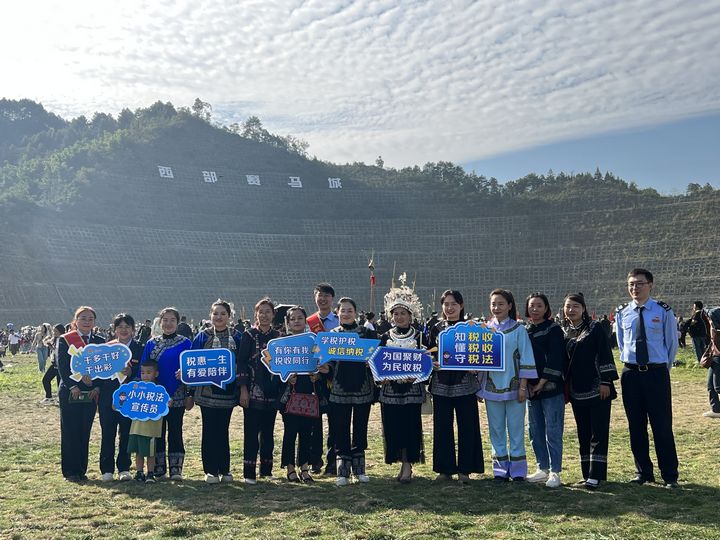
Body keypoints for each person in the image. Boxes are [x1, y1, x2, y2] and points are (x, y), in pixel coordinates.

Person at [616, 268, 679, 488]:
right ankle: (643, 471)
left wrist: (661, 368)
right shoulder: (622, 312)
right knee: (636, 425)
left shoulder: (663, 311)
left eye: (639, 284)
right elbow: (623, 344)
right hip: (631, 373)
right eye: (631, 284)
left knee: (661, 425)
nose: (635, 288)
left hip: (656, 373)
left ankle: (669, 474)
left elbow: (671, 344)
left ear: (650, 285)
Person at [478, 289, 537, 482]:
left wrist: (523, 387)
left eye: (501, 304)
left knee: (516, 429)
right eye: (493, 304)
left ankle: (519, 470)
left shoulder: (519, 329)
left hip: (514, 388)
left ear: (510, 306)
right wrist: (479, 386)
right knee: (496, 430)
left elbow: (527, 357)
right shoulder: (484, 330)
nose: (497, 308)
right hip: (492, 387)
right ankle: (500, 470)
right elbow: (479, 361)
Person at [318, 297, 377, 486]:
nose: (346, 313)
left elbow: (375, 358)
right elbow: (328, 361)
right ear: (337, 313)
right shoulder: (332, 335)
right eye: (342, 310)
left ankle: (359, 470)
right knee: (340, 428)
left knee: (360, 427)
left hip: (362, 387)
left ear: (356, 312)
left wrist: (371, 363)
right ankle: (342, 470)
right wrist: (326, 368)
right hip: (339, 388)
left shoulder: (366, 333)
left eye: (349, 310)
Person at [428, 290, 484, 484]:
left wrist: (476, 367)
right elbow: (428, 352)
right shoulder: (435, 328)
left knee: (468, 426)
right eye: (446, 304)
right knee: (442, 427)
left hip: (465, 383)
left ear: (461, 305)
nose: (449, 308)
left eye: (453, 304)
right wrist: (431, 363)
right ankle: (445, 469)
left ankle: (466, 469)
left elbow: (481, 352)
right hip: (441, 383)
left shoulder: (472, 327)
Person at [563, 293, 618, 490]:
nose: (571, 310)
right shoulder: (566, 331)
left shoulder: (594, 328)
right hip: (577, 390)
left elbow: (605, 353)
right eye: (568, 306)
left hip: (598, 388)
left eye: (576, 306)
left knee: (599, 432)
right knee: (583, 432)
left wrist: (606, 381)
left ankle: (596, 475)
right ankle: (587, 474)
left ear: (584, 309)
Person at [378, 283, 426, 483]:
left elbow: (427, 364)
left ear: (410, 315)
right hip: (390, 390)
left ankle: (408, 465)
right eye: (395, 313)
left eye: (403, 313)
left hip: (411, 389)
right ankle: (400, 463)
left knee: (409, 426)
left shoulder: (420, 336)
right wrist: (382, 377)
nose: (399, 317)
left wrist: (417, 376)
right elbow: (377, 363)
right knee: (393, 426)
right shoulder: (384, 337)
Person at [191, 299, 242, 484]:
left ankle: (225, 469)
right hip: (206, 394)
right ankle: (210, 470)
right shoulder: (202, 337)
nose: (218, 317)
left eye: (222, 314)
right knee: (209, 430)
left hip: (228, 393)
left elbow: (242, 363)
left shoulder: (237, 336)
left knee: (223, 431)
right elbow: (192, 361)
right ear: (210, 316)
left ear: (229, 316)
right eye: (215, 313)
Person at [140, 307, 193, 480]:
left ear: (177, 323)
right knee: (157, 432)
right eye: (165, 320)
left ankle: (176, 469)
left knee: (176, 431)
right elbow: (144, 369)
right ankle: (159, 468)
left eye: (172, 320)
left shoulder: (185, 343)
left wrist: (188, 388)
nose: (168, 323)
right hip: (156, 397)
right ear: (160, 322)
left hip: (178, 394)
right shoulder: (151, 343)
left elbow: (192, 369)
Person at [57, 306, 105, 482]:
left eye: (90, 319)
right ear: (75, 320)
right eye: (83, 318)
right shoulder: (65, 340)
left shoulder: (100, 341)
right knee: (70, 430)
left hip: (91, 392)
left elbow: (104, 368)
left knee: (85, 431)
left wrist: (97, 387)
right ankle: (70, 471)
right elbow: (62, 365)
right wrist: (72, 386)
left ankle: (81, 469)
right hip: (71, 391)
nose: (87, 321)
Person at [279, 306, 325, 484]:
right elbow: (276, 371)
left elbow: (321, 364)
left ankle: (304, 467)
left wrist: (318, 374)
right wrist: (286, 378)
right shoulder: (282, 343)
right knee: (290, 433)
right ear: (288, 322)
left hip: (309, 391)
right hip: (290, 393)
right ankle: (290, 468)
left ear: (305, 320)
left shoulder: (313, 342)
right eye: (293, 319)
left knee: (307, 433)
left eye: (300, 318)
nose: (296, 321)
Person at [237, 298, 281, 484]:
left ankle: (266, 469)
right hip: (252, 391)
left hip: (272, 391)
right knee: (251, 432)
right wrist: (243, 390)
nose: (264, 315)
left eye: (267, 312)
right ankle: (249, 472)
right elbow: (241, 362)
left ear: (273, 315)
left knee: (268, 432)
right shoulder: (248, 335)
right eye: (260, 311)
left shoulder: (278, 336)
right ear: (256, 314)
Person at [524, 293, 565, 488]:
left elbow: (556, 358)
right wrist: (527, 385)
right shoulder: (525, 330)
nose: (535, 309)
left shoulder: (553, 329)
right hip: (531, 389)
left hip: (550, 388)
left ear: (546, 308)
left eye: (539, 306)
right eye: (532, 306)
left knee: (553, 430)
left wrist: (540, 384)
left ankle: (555, 471)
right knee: (535, 430)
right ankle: (542, 467)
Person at [98, 313, 143, 482]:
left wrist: (132, 373)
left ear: (133, 330)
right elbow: (99, 375)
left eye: (127, 327)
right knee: (107, 433)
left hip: (130, 398)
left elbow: (144, 372)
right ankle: (106, 469)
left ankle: (124, 467)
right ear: (114, 329)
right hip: (108, 398)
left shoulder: (140, 348)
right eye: (120, 327)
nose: (123, 330)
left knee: (126, 433)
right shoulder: (106, 349)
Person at [306, 283, 339, 475]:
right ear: (315, 297)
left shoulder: (338, 321)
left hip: (333, 376)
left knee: (335, 421)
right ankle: (314, 460)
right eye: (320, 295)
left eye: (327, 295)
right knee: (314, 420)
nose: (323, 299)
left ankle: (332, 462)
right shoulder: (308, 322)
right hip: (313, 377)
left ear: (332, 299)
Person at [127, 359, 165, 483]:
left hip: (151, 429)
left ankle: (150, 473)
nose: (145, 375)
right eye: (143, 373)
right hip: (136, 427)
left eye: (149, 372)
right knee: (138, 452)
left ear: (156, 374)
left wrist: (168, 403)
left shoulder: (159, 389)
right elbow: (125, 401)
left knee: (150, 453)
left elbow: (166, 402)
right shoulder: (136, 387)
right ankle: (139, 472)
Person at [700, 307, 720, 418]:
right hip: (714, 355)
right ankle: (716, 409)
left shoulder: (716, 325)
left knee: (718, 387)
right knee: (710, 385)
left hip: (718, 356)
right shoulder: (713, 325)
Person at [40, 324, 65, 404]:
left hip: (61, 364)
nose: (53, 332)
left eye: (55, 331)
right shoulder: (54, 339)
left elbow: (60, 352)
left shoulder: (63, 340)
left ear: (60, 332)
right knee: (45, 380)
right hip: (54, 364)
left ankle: (60, 399)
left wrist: (52, 347)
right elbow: (46, 343)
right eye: (53, 330)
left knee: (60, 384)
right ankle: (49, 397)